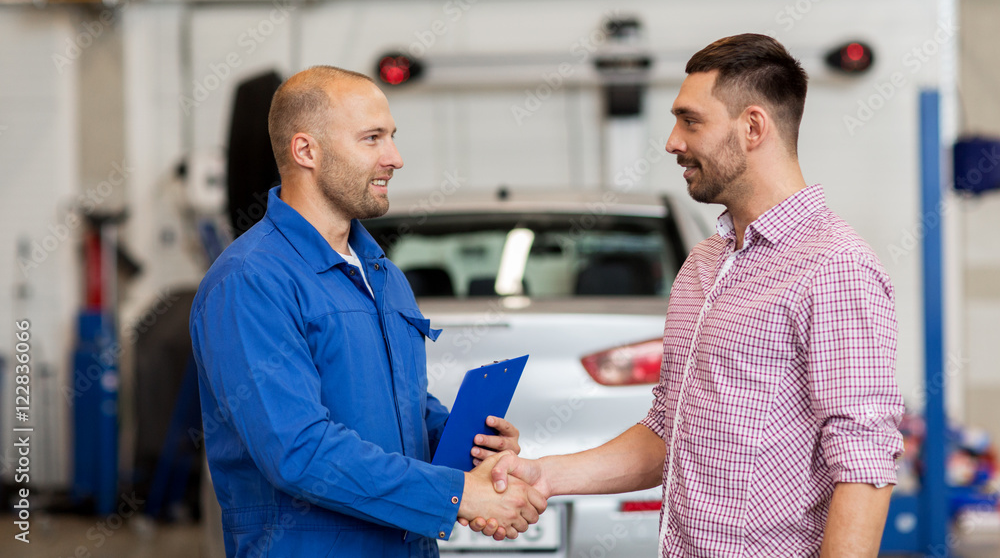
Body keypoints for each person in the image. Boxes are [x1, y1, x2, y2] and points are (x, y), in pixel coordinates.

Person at [474, 34, 905, 557]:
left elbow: (864, 464)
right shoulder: (704, 265)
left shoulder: (835, 267)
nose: (673, 141)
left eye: (691, 120)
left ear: (752, 127)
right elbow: (667, 432)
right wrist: (542, 475)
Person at [189, 65, 545, 557]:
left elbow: (403, 406)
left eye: (392, 137)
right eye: (372, 138)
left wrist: (471, 449)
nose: (394, 158)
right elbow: (298, 451)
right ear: (306, 150)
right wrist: (460, 495)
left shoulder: (381, 272)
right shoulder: (250, 282)